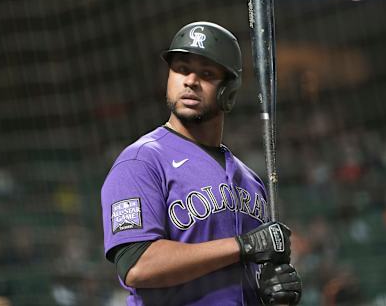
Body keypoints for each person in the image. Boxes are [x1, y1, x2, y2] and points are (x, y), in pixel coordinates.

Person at [101, 21, 302, 306]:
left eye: (206, 74)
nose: (190, 81)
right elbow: (137, 265)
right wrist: (243, 246)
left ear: (228, 91)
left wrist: (274, 291)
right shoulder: (141, 162)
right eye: (181, 69)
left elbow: (242, 276)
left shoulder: (251, 180)